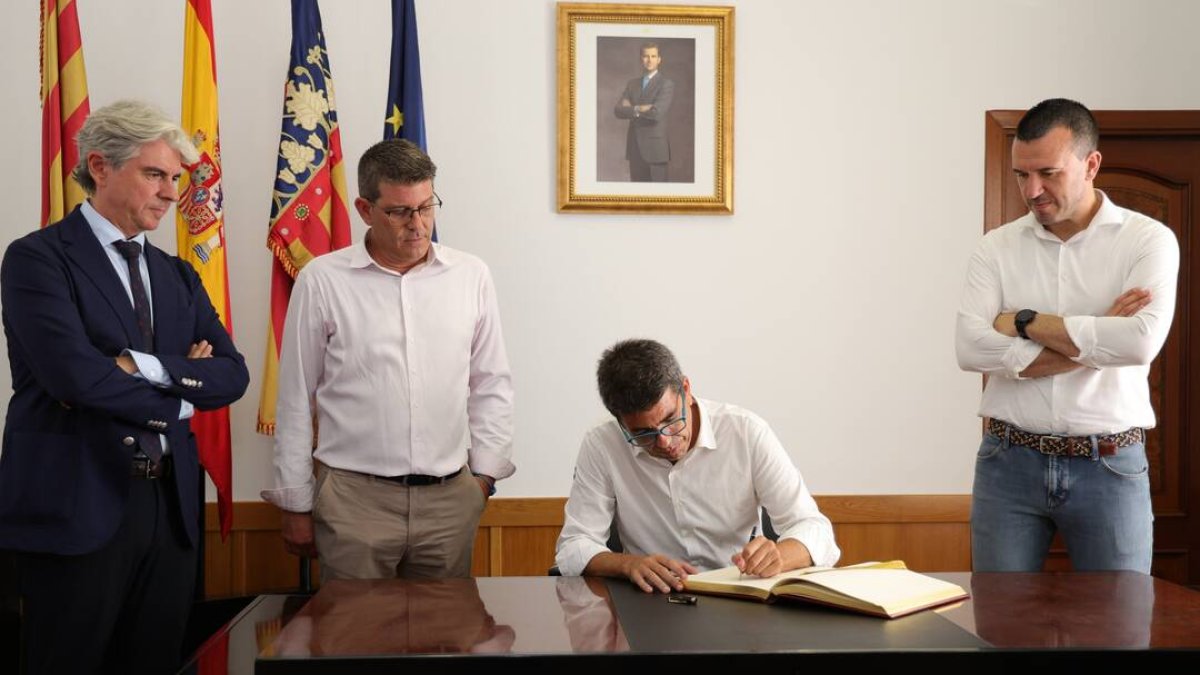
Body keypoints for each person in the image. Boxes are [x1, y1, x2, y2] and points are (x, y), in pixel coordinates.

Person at [0, 99, 250, 674]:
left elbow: (232, 373)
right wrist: (187, 389)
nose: (169, 192)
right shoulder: (38, 259)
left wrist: (142, 367)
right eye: (155, 174)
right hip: (77, 506)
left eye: (175, 179)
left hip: (170, 509)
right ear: (102, 166)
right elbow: (75, 378)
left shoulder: (177, 272)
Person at [264, 138, 514, 581]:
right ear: (364, 210)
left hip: (449, 499)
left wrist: (484, 479)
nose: (418, 225)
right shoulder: (323, 281)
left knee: (446, 641)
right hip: (353, 500)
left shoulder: (470, 275)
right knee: (354, 642)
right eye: (400, 211)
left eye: (426, 206)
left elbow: (491, 382)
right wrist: (297, 503)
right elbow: (295, 398)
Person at [955, 98, 1179, 573]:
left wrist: (1022, 321)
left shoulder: (1148, 240)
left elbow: (1138, 343)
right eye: (1021, 175)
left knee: (1119, 629)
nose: (1032, 189)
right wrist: (1099, 338)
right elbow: (970, 347)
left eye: (1048, 173)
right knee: (998, 629)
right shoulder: (995, 248)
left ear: (1091, 163)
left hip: (1111, 464)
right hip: (1007, 461)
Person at [555, 339, 839, 593]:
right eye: (643, 433)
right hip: (651, 601)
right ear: (619, 421)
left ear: (686, 390)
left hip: (739, 595)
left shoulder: (746, 432)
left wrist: (780, 555)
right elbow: (574, 546)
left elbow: (815, 529)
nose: (664, 441)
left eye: (670, 420)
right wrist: (628, 564)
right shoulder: (602, 443)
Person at [614, 42, 674, 182]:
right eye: (646, 56)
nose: (649, 60)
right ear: (641, 59)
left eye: (653, 56)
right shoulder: (632, 84)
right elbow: (618, 110)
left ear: (659, 59)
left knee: (658, 198)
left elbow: (656, 113)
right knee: (637, 197)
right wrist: (639, 108)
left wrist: (631, 108)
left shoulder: (666, 84)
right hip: (635, 149)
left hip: (656, 151)